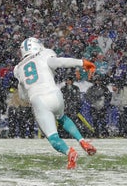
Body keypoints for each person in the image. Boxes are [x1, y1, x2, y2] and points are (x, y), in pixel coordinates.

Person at [13, 37, 97, 169]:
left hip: (38, 100)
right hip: (54, 93)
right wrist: (81, 63)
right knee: (62, 117)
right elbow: (59, 62)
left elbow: (23, 96)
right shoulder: (44, 53)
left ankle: (70, 152)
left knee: (53, 138)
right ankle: (82, 141)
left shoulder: (18, 68)